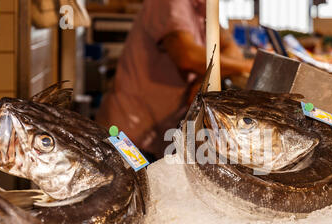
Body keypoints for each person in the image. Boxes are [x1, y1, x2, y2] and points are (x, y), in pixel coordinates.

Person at [95, 0, 253, 160]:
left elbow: (230, 48)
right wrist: (247, 66)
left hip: (157, 135)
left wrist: (202, 77)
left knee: (150, 180)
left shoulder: (203, 6)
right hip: (126, 134)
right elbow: (186, 56)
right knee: (130, 181)